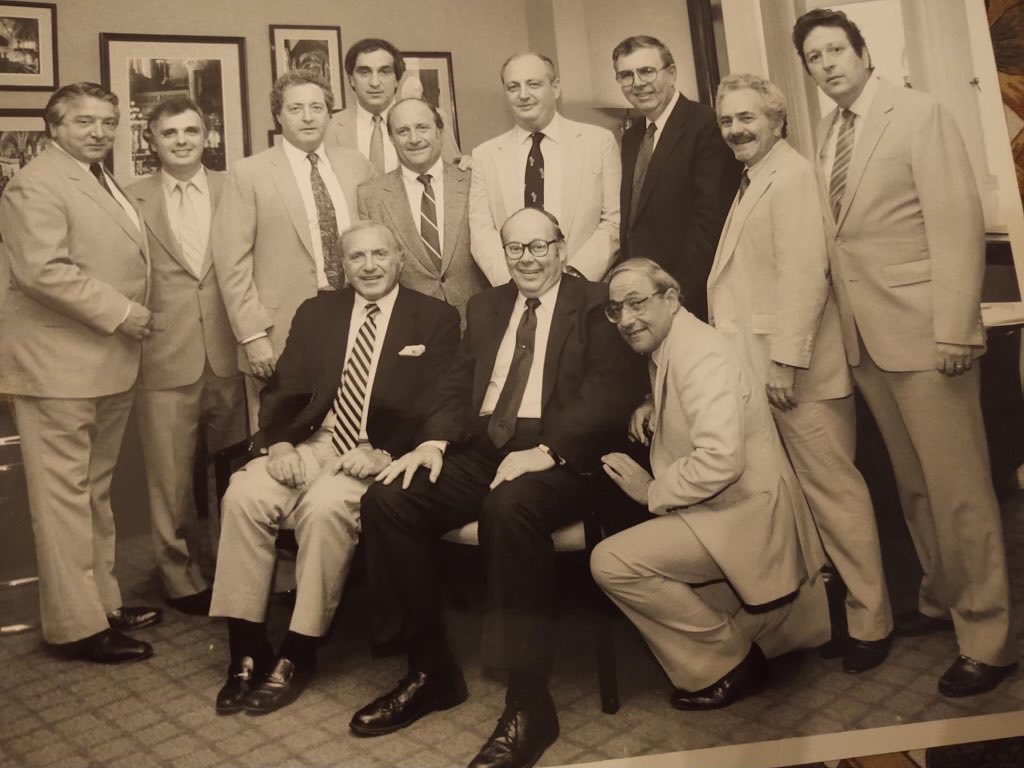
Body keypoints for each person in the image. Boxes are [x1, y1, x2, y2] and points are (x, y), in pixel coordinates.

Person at [349, 207, 643, 768]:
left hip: (565, 454)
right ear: (502, 255)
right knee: (389, 497)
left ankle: (529, 703)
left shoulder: (595, 303)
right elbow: (456, 384)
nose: (527, 259)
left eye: (539, 247)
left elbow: (611, 389)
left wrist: (548, 450)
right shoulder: (485, 307)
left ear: (561, 248)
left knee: (510, 507)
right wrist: (433, 442)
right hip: (484, 445)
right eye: (515, 249)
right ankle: (431, 670)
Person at [793, 7, 1017, 696]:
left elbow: (956, 222)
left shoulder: (919, 114)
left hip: (927, 335)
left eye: (836, 49)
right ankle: (943, 597)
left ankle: (989, 637)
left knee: (960, 491)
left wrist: (956, 327)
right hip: (865, 342)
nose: (827, 64)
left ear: (862, 53)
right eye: (814, 58)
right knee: (915, 487)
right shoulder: (826, 134)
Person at [209, 221, 460, 715]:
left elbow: (442, 400)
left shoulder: (434, 318)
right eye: (356, 257)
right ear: (342, 265)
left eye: (379, 255)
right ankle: (246, 647)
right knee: (243, 495)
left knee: (325, 508)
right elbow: (285, 387)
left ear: (399, 259)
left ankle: (299, 651)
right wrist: (279, 445)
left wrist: (389, 453)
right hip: (313, 442)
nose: (368, 266)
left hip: (376, 451)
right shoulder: (318, 312)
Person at [708, 73, 893, 672]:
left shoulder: (791, 178)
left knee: (837, 497)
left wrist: (786, 362)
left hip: (799, 373)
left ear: (777, 121)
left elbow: (805, 276)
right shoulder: (754, 178)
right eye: (728, 120)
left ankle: (871, 622)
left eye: (747, 118)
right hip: (767, 371)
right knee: (808, 504)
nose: (736, 129)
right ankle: (836, 620)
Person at [592, 257, 830, 709]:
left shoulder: (699, 353)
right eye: (616, 309)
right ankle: (761, 632)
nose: (625, 319)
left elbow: (721, 459)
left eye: (636, 303)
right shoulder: (674, 341)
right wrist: (649, 403)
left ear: (671, 297)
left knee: (610, 561)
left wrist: (650, 491)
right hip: (726, 506)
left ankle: (730, 663)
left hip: (745, 512)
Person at [0, 82, 160, 662]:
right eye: (85, 121)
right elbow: (42, 271)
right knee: (62, 500)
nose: (98, 131)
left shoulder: (96, 176)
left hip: (102, 364)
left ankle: (104, 603)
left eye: (108, 122)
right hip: (57, 367)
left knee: (92, 492)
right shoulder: (35, 183)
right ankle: (75, 627)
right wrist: (123, 312)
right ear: (54, 127)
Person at [126, 96, 246, 615]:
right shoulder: (129, 199)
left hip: (230, 353)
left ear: (206, 135)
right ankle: (179, 576)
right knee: (169, 479)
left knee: (237, 471)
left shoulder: (234, 188)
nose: (181, 141)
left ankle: (235, 567)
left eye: (191, 131)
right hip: (164, 354)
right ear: (152, 141)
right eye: (170, 133)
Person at [213, 70, 373, 428]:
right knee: (280, 442)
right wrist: (253, 336)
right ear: (279, 115)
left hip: (354, 318)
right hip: (279, 329)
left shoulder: (357, 165)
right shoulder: (248, 173)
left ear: (330, 114)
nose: (308, 116)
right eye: (296, 108)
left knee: (351, 430)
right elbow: (231, 263)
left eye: (317, 107)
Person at [613, 35, 741, 321]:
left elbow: (709, 223)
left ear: (671, 73)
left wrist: (678, 296)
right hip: (643, 299)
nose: (638, 83)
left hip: (686, 298)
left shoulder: (706, 124)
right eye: (626, 75)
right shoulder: (632, 136)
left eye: (647, 71)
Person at [469, 52, 621, 284]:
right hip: (515, 291)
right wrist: (512, 280)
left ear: (555, 87)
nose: (523, 95)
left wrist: (575, 275)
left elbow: (614, 221)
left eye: (533, 84)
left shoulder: (598, 142)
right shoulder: (485, 155)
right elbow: (481, 232)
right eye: (513, 87)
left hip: (583, 287)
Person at [358, 97, 486, 321]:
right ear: (391, 138)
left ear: (439, 131)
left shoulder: (473, 179)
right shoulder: (370, 196)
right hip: (410, 326)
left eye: (422, 127)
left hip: (478, 320)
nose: (414, 139)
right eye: (403, 131)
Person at [325, 38, 460, 170]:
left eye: (384, 72)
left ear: (397, 79)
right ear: (351, 80)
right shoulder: (329, 127)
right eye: (365, 72)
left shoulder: (433, 119)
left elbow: (454, 174)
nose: (375, 83)